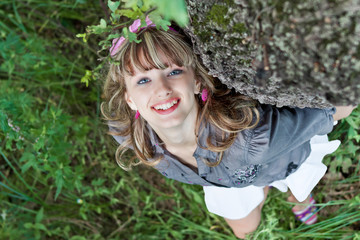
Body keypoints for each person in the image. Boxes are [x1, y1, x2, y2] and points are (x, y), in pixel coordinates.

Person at [101, 19, 356, 239]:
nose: (161, 89)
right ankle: (259, 189)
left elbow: (336, 109)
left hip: (284, 157)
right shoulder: (132, 135)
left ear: (197, 81)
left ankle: (297, 198)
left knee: (299, 183)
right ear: (129, 98)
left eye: (175, 71)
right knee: (246, 231)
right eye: (143, 80)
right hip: (223, 178)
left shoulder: (255, 141)